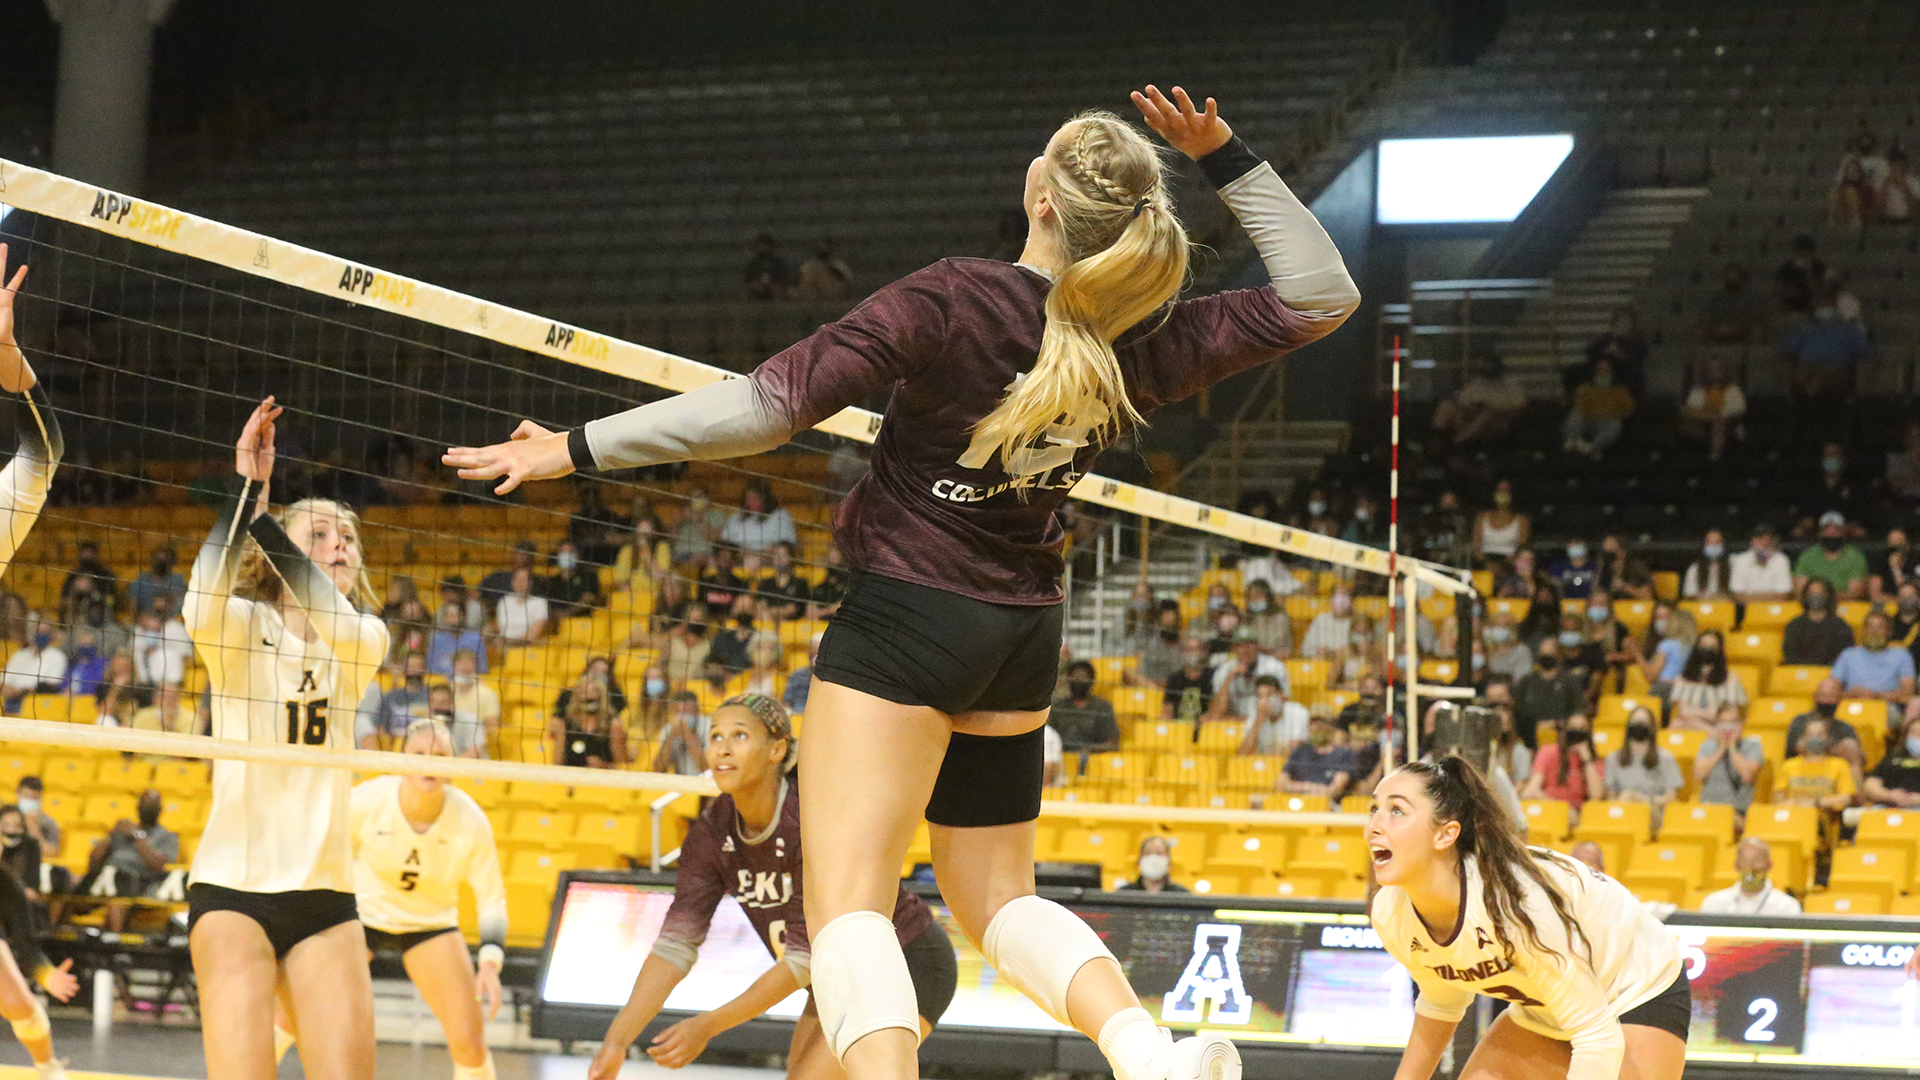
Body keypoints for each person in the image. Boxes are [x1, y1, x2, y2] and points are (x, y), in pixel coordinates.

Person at [444, 86, 1357, 1080]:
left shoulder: (954, 298)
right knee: (998, 898)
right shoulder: (1136, 336)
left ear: (1041, 197)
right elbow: (1325, 293)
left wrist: (574, 449)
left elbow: (760, 412)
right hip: (1023, 630)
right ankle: (1150, 1057)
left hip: (908, 617)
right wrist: (1224, 151)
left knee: (847, 907)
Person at [588, 696, 957, 1080]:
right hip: (836, 971)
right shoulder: (711, 833)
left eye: (740, 735)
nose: (722, 749)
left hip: (907, 959)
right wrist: (617, 1041)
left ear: (777, 749)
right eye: (715, 736)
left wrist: (708, 1026)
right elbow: (674, 947)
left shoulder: (808, 821)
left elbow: (799, 961)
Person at [185, 397, 389, 1080]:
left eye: (349, 539)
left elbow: (330, 612)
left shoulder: (364, 639)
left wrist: (269, 516)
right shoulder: (238, 628)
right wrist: (246, 493)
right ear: (277, 554)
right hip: (232, 890)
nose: (341, 547)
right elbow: (199, 598)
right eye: (322, 536)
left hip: (325, 896)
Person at [1369, 756, 1689, 1080]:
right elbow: (1441, 1001)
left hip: (1634, 986)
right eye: (1374, 810)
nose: (1374, 826)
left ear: (1445, 834)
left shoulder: (1513, 906)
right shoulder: (1391, 913)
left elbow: (1596, 1037)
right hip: (1548, 1011)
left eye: (1396, 811)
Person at [277, 719, 507, 1080]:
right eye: (419, 753)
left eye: (439, 755)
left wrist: (491, 963)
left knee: (471, 1042)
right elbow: (319, 852)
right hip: (360, 917)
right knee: (288, 1015)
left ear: (455, 761)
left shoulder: (470, 821)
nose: (429, 763)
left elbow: (491, 897)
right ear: (401, 758)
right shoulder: (368, 800)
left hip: (430, 924)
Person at [81, 789, 178, 915]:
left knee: (117, 901)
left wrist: (136, 836)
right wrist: (111, 835)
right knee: (68, 889)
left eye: (151, 805)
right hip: (106, 876)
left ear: (160, 810)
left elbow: (158, 864)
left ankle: (112, 935)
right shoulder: (123, 830)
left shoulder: (167, 836)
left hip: (138, 882)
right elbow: (93, 861)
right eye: (144, 805)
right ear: (137, 808)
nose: (147, 809)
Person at [1603, 710, 1683, 827]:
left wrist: (1642, 799)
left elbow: (1671, 797)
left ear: (1652, 727)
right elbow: (1610, 794)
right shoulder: (1614, 758)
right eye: (1635, 723)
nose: (1639, 727)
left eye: (1643, 723)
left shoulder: (1666, 758)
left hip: (1654, 810)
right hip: (1622, 809)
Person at [1431, 353, 1526, 448]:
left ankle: (1460, 441)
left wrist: (1491, 405)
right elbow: (1462, 398)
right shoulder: (1477, 383)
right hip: (1472, 413)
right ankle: (1436, 437)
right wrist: (1470, 406)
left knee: (1487, 413)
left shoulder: (1510, 384)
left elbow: (1518, 404)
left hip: (1495, 417)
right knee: (1447, 405)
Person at [1522, 717, 1605, 818]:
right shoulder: (1548, 752)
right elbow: (1530, 792)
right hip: (1550, 808)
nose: (1576, 736)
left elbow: (1596, 796)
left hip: (1578, 814)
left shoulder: (1593, 761)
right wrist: (1561, 808)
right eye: (1573, 731)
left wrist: (1587, 760)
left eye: (1581, 731)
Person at [1697, 838, 1801, 916]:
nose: (1751, 867)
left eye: (1757, 860)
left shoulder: (1787, 907)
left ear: (1769, 865)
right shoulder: (1714, 903)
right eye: (1745, 861)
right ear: (1736, 865)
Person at [1694, 704, 1763, 822]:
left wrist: (1732, 748)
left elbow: (1747, 776)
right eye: (1723, 722)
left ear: (1742, 723)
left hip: (1738, 812)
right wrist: (1720, 748)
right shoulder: (1708, 746)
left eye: (1733, 722)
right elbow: (1699, 774)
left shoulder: (1753, 746)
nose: (1727, 727)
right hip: (1709, 808)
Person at [1775, 719, 1856, 817]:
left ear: (1827, 738)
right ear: (1802, 739)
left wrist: (1815, 803)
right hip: (1792, 816)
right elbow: (1778, 798)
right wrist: (1796, 805)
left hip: (1825, 818)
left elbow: (1845, 798)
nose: (1815, 738)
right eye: (1810, 734)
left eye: (1820, 734)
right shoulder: (1789, 765)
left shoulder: (1839, 764)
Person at [1513, 640, 1585, 750]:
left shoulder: (1570, 680)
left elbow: (1578, 713)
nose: (1546, 656)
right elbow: (1518, 712)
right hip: (1530, 738)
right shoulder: (1527, 681)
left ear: (1559, 655)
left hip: (1560, 736)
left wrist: (1554, 724)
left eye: (1550, 653)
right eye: (1543, 653)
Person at [1785, 679, 1866, 776]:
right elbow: (1797, 748)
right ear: (1815, 697)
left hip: (1834, 774)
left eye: (1832, 697)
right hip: (1803, 771)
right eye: (1823, 696)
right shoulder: (1801, 721)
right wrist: (1835, 751)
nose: (1827, 701)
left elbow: (1860, 757)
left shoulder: (1844, 727)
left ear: (1839, 700)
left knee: (1850, 745)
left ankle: (1853, 790)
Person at [1831, 611, 1916, 702]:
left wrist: (1876, 695)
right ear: (1864, 631)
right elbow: (1831, 692)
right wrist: (1853, 694)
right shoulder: (1848, 654)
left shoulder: (1902, 655)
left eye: (1880, 627)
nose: (1874, 631)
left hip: (1888, 706)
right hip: (1852, 704)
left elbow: (1908, 693)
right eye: (1870, 627)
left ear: (1889, 632)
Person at [1667, 632, 1746, 731]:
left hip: (1720, 726)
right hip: (1693, 726)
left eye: (1712, 646)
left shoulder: (1731, 678)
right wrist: (1709, 723)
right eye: (1704, 645)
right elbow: (1684, 712)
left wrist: (1696, 715)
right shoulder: (1682, 679)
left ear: (1720, 649)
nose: (1707, 649)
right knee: (1676, 724)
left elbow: (1730, 713)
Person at [1562, 359, 1634, 458]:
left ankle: (1591, 448)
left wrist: (1612, 416)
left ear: (1611, 372)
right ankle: (1572, 442)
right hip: (1587, 421)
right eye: (1600, 370)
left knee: (1615, 425)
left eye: (1606, 370)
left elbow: (1628, 410)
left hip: (1607, 422)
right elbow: (1578, 407)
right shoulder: (1585, 388)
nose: (1602, 373)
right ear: (1595, 372)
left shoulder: (1620, 390)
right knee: (1575, 416)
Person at [1677, 359, 1745, 460]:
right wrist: (1707, 417)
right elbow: (1691, 408)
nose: (1714, 372)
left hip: (1726, 423)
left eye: (1717, 369)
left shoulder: (1732, 389)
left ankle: (1715, 457)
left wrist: (1717, 417)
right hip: (1702, 421)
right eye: (1710, 369)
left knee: (1718, 425)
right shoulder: (1698, 389)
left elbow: (1739, 408)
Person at [1050, 661, 1120, 757]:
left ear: (1091, 680)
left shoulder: (1102, 707)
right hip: (1060, 758)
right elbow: (1050, 735)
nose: (1078, 681)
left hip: (1093, 760)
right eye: (1075, 677)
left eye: (1083, 677)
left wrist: (1091, 749)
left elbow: (1112, 742)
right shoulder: (1059, 706)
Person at [1795, 512, 1870, 600]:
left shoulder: (1855, 557)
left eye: (1836, 529)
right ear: (1820, 532)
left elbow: (1855, 593)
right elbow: (1801, 590)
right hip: (1814, 605)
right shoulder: (1807, 556)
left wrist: (1825, 598)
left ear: (1843, 532)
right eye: (1826, 529)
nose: (1831, 533)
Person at [1782, 578, 1857, 666]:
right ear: (1805, 596)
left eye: (1819, 593)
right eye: (1811, 593)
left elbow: (1844, 655)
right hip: (1800, 673)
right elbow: (1790, 654)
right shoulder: (1794, 625)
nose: (1815, 597)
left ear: (1828, 596)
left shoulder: (1840, 626)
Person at [1280, 715, 1355, 798]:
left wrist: (1301, 787)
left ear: (1332, 727)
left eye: (1323, 722)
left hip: (1329, 807)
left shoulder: (1344, 754)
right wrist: (1312, 788)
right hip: (1298, 803)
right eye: (1313, 723)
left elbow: (1335, 790)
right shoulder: (1300, 751)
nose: (1317, 727)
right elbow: (1281, 783)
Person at [1236, 675, 1310, 757]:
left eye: (1269, 695)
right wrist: (1259, 719)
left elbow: (1297, 749)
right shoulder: (1255, 716)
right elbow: (1242, 755)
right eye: (1260, 696)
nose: (1264, 701)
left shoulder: (1298, 712)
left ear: (1281, 694)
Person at [1728, 524, 1793, 603]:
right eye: (1760, 540)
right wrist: (1770, 596)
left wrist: (1750, 596)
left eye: (1767, 541)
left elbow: (1783, 595)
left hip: (1773, 609)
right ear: (1752, 541)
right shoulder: (1741, 560)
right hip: (1748, 609)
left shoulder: (1781, 560)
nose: (1763, 543)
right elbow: (1737, 594)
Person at [1473, 480, 1530, 564]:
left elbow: (1521, 546)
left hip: (1509, 565)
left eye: (1506, 490)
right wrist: (1485, 561)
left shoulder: (1522, 520)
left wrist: (1506, 563)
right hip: (1485, 563)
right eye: (1499, 490)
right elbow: (1476, 545)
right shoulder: (1482, 517)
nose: (1502, 493)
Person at [1161, 637, 1216, 722]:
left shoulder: (1212, 676)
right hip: (1179, 728)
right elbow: (1167, 708)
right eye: (1189, 649)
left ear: (1203, 651)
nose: (1192, 653)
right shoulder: (1174, 678)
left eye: (1196, 649)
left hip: (1204, 727)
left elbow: (1215, 707)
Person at [493, 567, 550, 646]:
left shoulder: (539, 602)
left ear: (530, 583)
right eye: (517, 579)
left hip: (526, 646)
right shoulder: (504, 601)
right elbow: (498, 627)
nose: (519, 582)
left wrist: (511, 642)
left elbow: (534, 633)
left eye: (523, 580)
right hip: (502, 645)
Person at [1114, 836, 1187, 893]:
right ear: (1140, 860)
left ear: (1168, 861)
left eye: (1159, 853)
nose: (1153, 858)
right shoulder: (1124, 893)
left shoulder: (1182, 895)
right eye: (1148, 853)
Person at [129, 545, 186, 617]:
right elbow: (132, 607)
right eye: (157, 560)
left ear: (171, 562)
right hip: (146, 621)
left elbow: (183, 604)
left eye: (164, 560)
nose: (160, 564)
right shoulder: (140, 581)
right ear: (151, 561)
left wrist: (169, 602)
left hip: (172, 620)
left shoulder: (178, 580)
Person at [1299, 588, 1355, 659]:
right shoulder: (1321, 619)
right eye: (1337, 595)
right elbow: (1306, 648)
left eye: (1344, 595)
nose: (1340, 600)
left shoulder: (1356, 622)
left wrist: (1337, 653)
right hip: (1321, 661)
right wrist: (1319, 651)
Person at [743, 233, 797, 300]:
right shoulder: (754, 263)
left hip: (774, 289)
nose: (764, 247)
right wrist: (756, 285)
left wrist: (773, 285)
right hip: (757, 289)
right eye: (761, 245)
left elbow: (783, 279)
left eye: (766, 245)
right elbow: (748, 280)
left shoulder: (778, 262)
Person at [1680, 530, 1730, 600]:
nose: (1713, 546)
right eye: (1710, 542)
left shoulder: (1732, 567)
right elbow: (1689, 594)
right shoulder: (1695, 568)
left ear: (1723, 544)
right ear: (1704, 544)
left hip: (1723, 606)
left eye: (1717, 542)